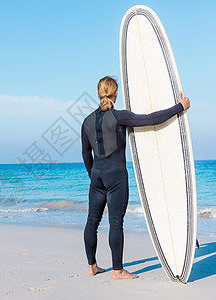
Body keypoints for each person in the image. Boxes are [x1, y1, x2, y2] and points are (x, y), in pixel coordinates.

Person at [81, 76, 190, 280]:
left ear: (99, 94)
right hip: (116, 177)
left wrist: (92, 175)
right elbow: (149, 119)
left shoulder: (86, 121)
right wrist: (179, 107)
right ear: (115, 94)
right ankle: (118, 270)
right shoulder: (120, 117)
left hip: (97, 177)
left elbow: (86, 154)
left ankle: (92, 267)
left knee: (92, 222)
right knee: (115, 222)